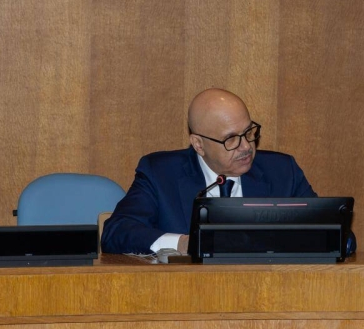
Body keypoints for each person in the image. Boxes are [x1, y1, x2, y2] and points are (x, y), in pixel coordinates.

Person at [101, 88, 316, 255]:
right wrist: (182, 243)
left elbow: (332, 233)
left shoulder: (283, 172)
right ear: (199, 144)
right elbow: (116, 232)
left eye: (249, 132)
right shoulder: (161, 174)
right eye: (231, 139)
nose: (246, 147)